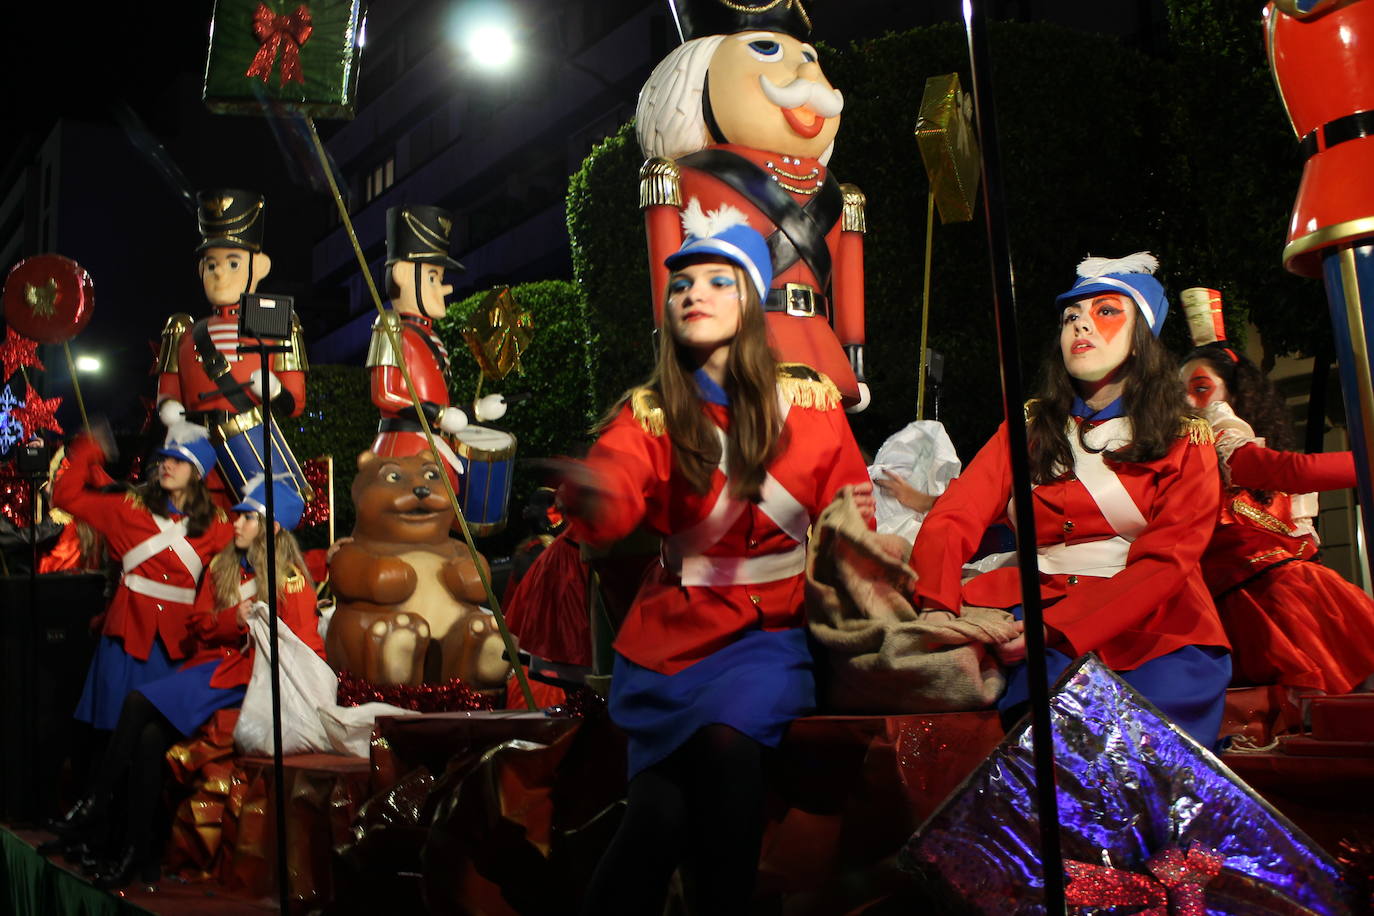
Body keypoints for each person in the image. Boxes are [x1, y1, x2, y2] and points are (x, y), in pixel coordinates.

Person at [558, 200, 873, 914]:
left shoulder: (812, 403)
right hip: (670, 645)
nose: (693, 293)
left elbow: (854, 510)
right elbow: (613, 496)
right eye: (681, 285)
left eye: (715, 281)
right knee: (657, 821)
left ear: (753, 301)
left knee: (731, 746)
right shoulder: (649, 413)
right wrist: (592, 492)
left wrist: (878, 575)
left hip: (768, 637)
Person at [909, 253, 1232, 748]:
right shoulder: (1026, 429)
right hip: (1032, 607)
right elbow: (956, 515)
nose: (1081, 323)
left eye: (1106, 311)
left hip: (1155, 628)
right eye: (1070, 317)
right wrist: (934, 602)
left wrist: (1055, 629)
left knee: (1142, 755)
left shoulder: (1186, 439)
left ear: (1142, 335)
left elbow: (1167, 562)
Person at [69, 477, 322, 889]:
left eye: (247, 518)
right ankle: (136, 853)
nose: (235, 524)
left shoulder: (288, 579)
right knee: (149, 738)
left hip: (247, 680)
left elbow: (303, 645)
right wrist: (232, 618)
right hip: (210, 669)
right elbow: (199, 624)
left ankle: (96, 805)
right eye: (237, 516)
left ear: (272, 527)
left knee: (136, 703)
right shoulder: (222, 566)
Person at [637, 0, 870, 410]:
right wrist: (670, 363)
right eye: (765, 48)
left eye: (809, 58)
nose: (809, 75)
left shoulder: (839, 192)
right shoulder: (684, 176)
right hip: (735, 351)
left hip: (821, 351)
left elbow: (848, 274)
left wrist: (855, 359)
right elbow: (668, 272)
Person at [1179, 297, 1374, 695]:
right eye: (1177, 392)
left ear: (1237, 394)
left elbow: (1287, 480)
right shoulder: (1211, 441)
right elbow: (1293, 471)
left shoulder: (1241, 451)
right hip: (1232, 605)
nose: (1186, 402)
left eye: (1200, 388)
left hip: (1273, 601)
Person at [53, 425, 232, 735]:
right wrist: (87, 450)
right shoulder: (127, 508)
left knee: (163, 737)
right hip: (126, 640)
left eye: (179, 461)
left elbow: (254, 554)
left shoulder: (216, 524)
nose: (167, 465)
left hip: (178, 644)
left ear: (198, 473)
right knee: (112, 733)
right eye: (164, 458)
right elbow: (65, 496)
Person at [155, 189, 311, 507]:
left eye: (233, 263)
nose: (220, 273)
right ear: (201, 270)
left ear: (261, 266)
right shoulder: (183, 330)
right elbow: (167, 391)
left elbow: (295, 403)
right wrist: (168, 407)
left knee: (253, 521)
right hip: (194, 452)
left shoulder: (278, 324)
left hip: (247, 448)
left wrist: (275, 391)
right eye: (211, 265)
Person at [367, 204, 506, 484]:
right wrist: (440, 414)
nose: (445, 288)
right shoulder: (391, 328)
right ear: (403, 274)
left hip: (430, 445)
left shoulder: (429, 337)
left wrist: (477, 410)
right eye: (433, 278)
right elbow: (384, 393)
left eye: (440, 278)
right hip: (404, 447)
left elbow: (439, 405)